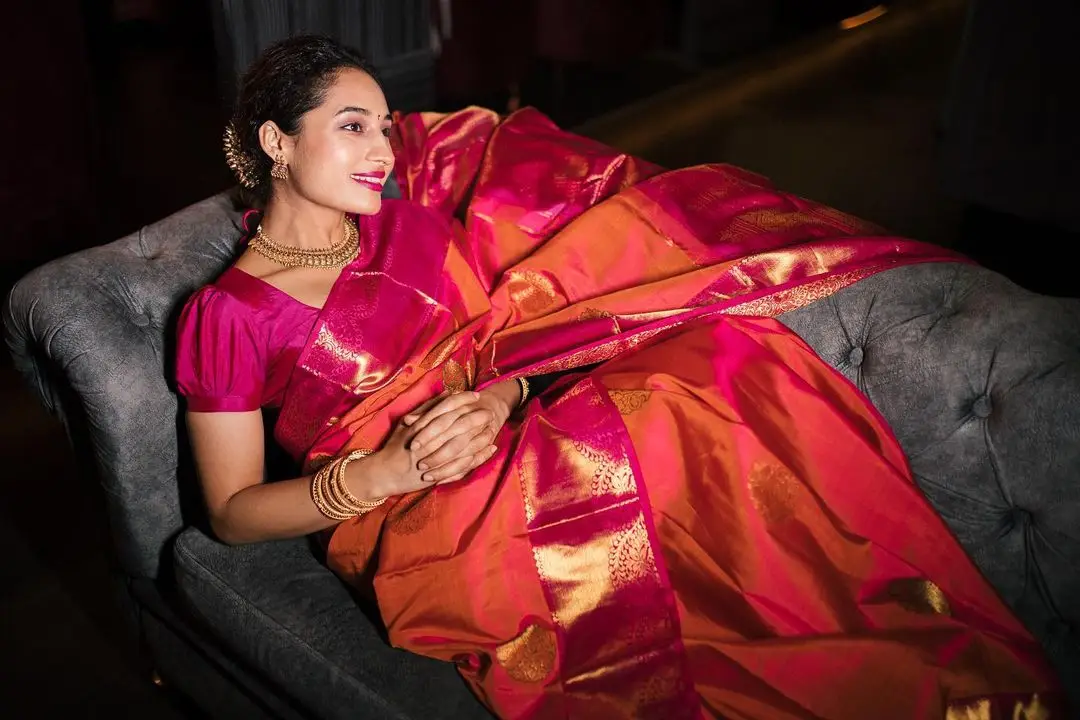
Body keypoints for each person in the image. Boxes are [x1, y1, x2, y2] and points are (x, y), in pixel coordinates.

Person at [177, 35, 1062, 719]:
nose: (383, 148)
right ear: (275, 141)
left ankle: (873, 659)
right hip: (409, 509)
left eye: (383, 122)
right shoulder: (230, 314)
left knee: (720, 367)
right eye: (352, 126)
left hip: (501, 429)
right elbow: (229, 512)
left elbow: (497, 346)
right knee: (612, 489)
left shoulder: (407, 231)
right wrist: (384, 474)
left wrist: (502, 393)